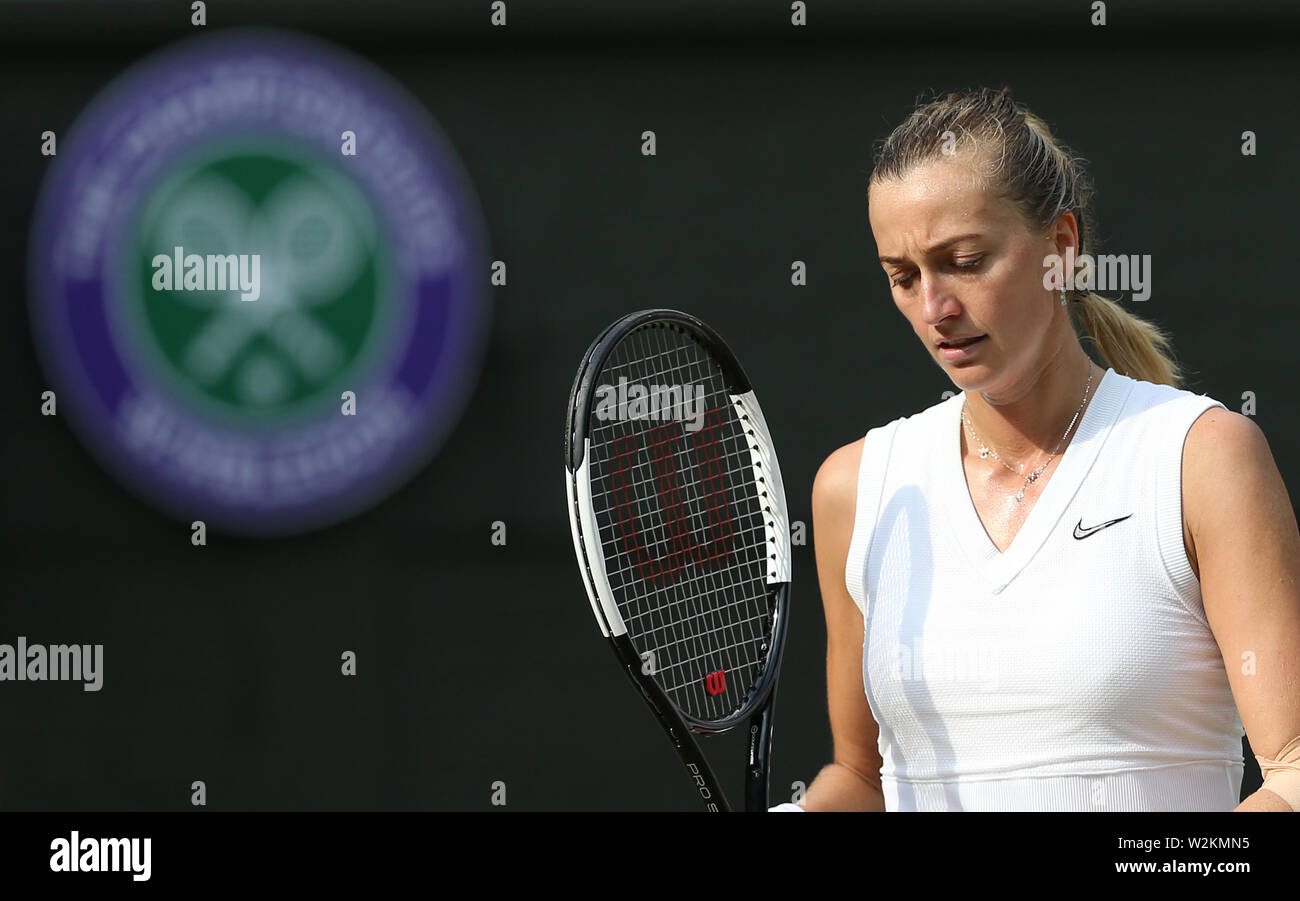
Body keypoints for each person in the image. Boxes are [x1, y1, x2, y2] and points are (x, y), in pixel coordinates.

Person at [784, 87, 1300, 811]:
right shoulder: (856, 486)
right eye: (903, 277)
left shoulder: (1204, 456)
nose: (935, 309)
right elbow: (862, 778)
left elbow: (1294, 768)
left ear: (1061, 246)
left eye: (964, 261)